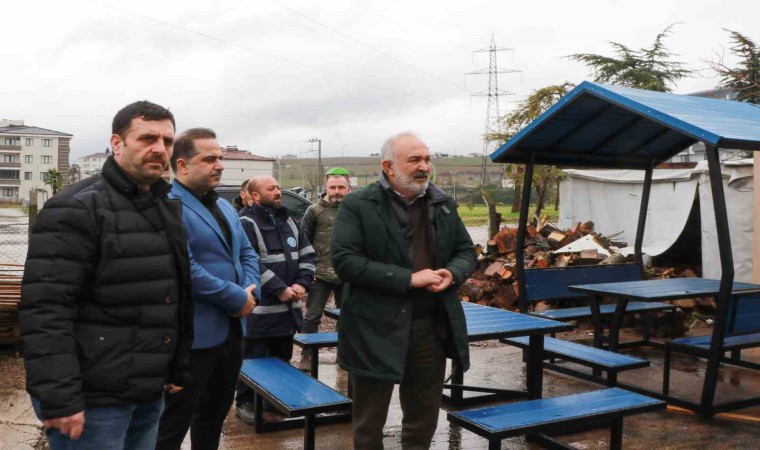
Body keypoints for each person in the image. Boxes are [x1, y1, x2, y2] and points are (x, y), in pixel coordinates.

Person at [19, 101, 193, 450]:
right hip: (94, 401)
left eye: (167, 141)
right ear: (117, 143)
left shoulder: (162, 205)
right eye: (147, 138)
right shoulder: (76, 207)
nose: (160, 149)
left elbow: (173, 294)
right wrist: (60, 396)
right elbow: (46, 309)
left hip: (147, 392)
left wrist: (176, 366)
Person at [331, 131, 476, 450]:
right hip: (374, 328)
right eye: (414, 160)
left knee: (423, 417)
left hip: (429, 326)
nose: (424, 166)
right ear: (388, 166)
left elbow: (467, 252)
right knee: (369, 422)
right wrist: (409, 279)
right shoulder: (358, 204)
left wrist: (452, 273)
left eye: (427, 159)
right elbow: (345, 262)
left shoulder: (442, 203)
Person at [155, 128, 260, 450]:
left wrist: (251, 291)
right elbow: (185, 268)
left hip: (232, 333)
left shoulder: (226, 207)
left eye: (220, 158)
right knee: (172, 426)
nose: (220, 165)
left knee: (212, 419)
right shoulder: (168, 205)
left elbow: (247, 253)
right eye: (210, 159)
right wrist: (236, 297)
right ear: (182, 165)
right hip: (194, 338)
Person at [235, 175, 316, 424]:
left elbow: (307, 254)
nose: (278, 191)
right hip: (260, 314)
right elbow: (250, 263)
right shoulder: (246, 223)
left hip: (287, 311)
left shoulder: (289, 220)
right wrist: (279, 288)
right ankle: (246, 402)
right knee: (254, 361)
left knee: (281, 359)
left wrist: (301, 283)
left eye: (278, 187)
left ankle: (272, 399)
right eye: (271, 189)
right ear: (255, 196)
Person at [298, 174, 350, 369]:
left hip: (346, 274)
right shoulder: (314, 211)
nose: (337, 192)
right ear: (326, 189)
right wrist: (306, 270)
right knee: (312, 316)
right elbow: (304, 241)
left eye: (341, 187)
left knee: (346, 316)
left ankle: (343, 354)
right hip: (319, 273)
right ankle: (307, 354)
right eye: (333, 187)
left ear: (348, 189)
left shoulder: (353, 211)